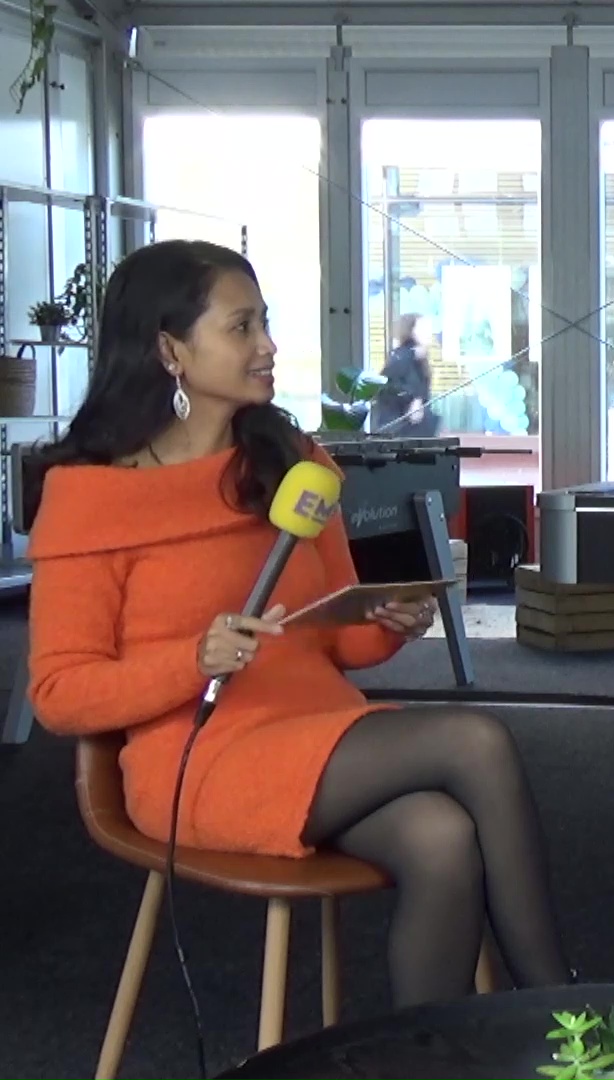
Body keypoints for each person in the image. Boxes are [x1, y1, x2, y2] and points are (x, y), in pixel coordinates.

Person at [23, 239, 572, 1008]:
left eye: (265, 322)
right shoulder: (92, 498)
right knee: (473, 740)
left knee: (440, 837)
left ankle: (429, 1055)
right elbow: (59, 693)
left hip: (321, 731)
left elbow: (337, 638)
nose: (268, 346)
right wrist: (195, 659)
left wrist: (386, 621)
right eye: (241, 327)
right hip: (199, 761)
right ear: (170, 351)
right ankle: (563, 1014)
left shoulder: (292, 462)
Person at [371, 312, 439, 437]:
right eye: (423, 328)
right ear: (411, 331)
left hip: (415, 427)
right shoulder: (400, 357)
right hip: (399, 428)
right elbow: (387, 386)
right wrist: (413, 399)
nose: (429, 333)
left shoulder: (420, 360)